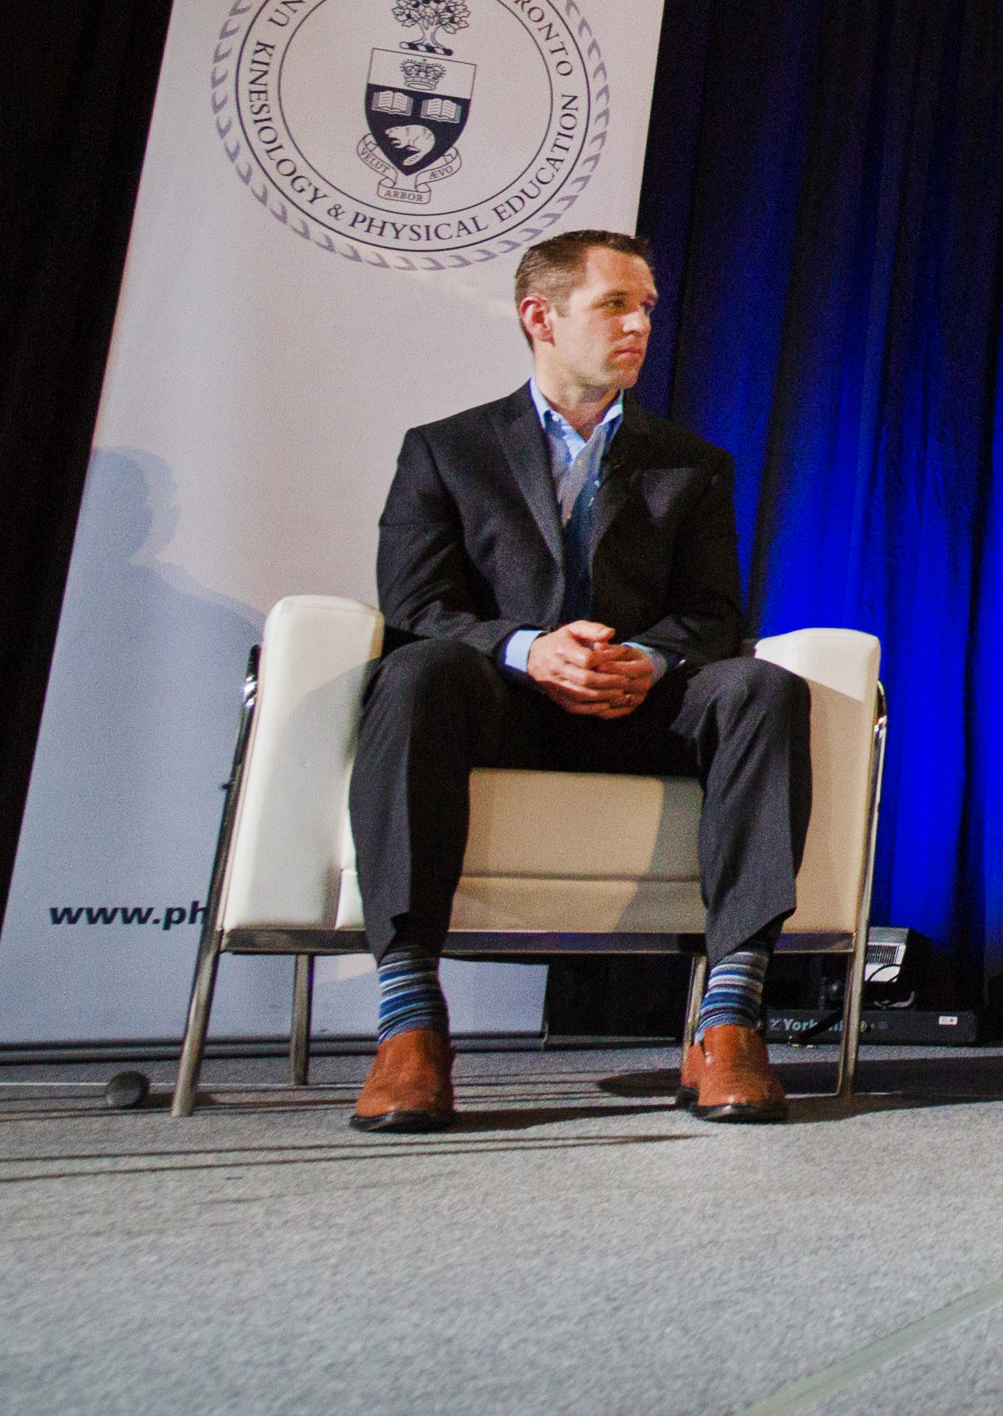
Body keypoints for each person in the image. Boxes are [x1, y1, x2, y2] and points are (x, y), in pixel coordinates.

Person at [345, 230, 815, 1132]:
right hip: (499, 702)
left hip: (637, 706)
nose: (640, 324)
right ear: (540, 317)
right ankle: (409, 1025)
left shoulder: (693, 464)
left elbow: (715, 613)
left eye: (646, 308)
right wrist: (526, 649)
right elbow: (414, 604)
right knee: (412, 673)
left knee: (763, 689)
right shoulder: (447, 451)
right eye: (615, 304)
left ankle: (728, 1021)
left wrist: (650, 658)